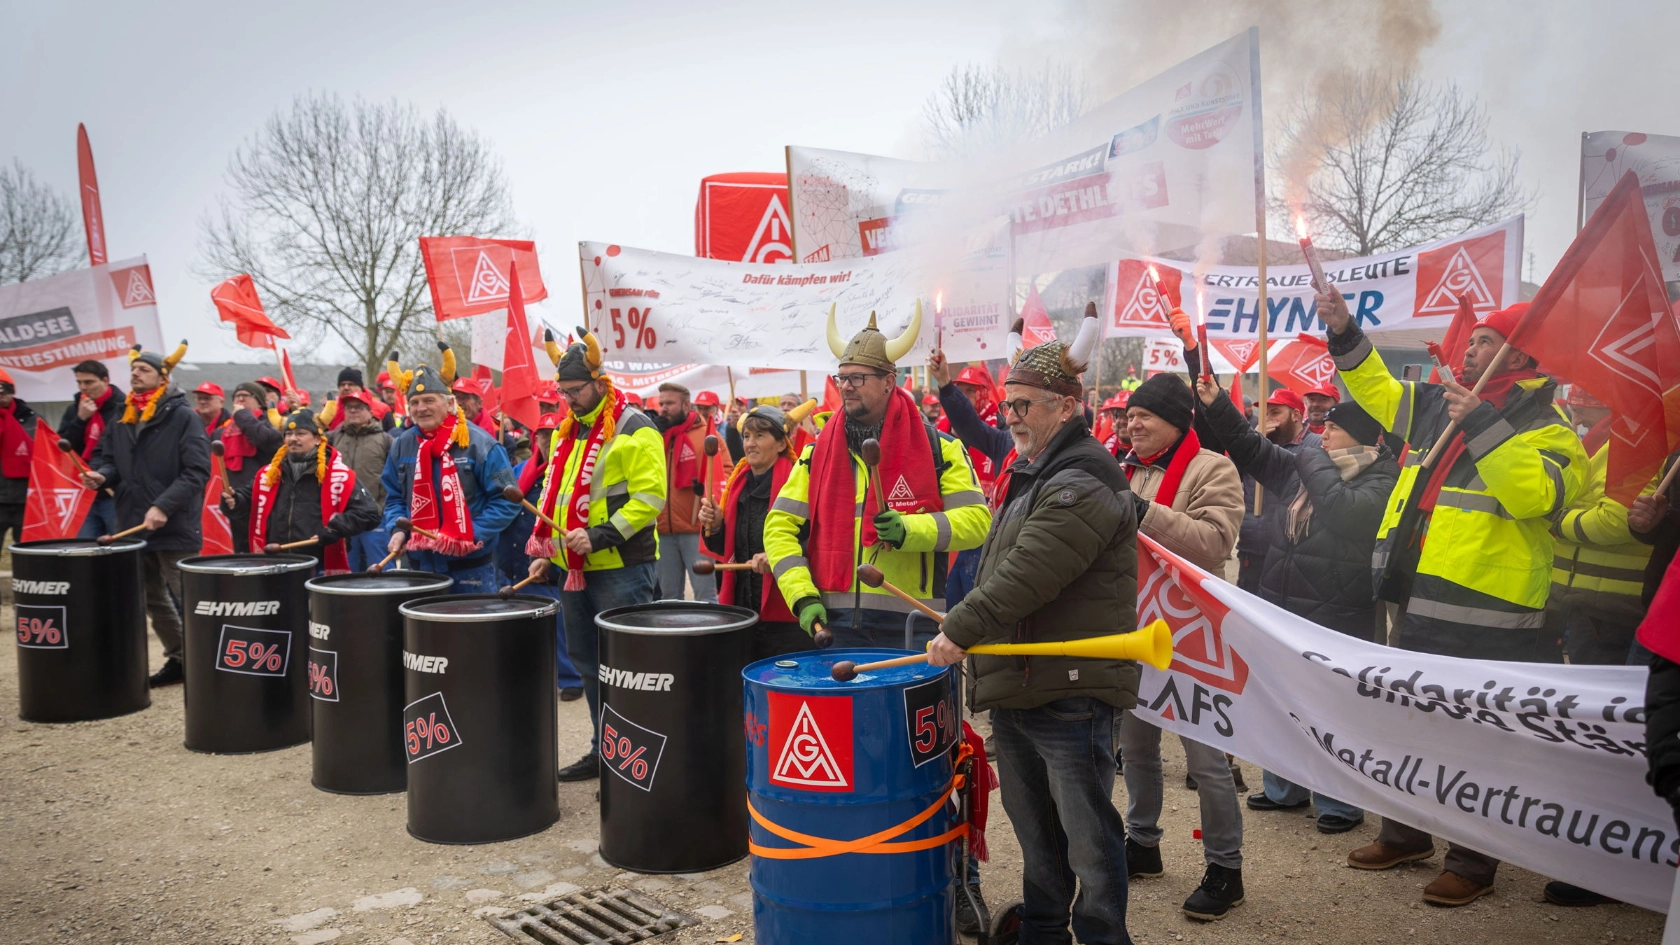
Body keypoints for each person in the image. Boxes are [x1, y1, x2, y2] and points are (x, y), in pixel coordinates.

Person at [1320, 288, 1587, 906]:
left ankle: (1471, 862)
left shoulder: (1553, 428)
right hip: (1421, 598)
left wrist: (1482, 422)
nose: (1469, 351)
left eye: (1485, 342)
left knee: (1479, 739)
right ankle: (1405, 834)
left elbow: (1533, 496)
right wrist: (1344, 332)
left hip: (1493, 613)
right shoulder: (1441, 405)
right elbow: (1381, 395)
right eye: (1471, 343)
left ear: (1522, 357)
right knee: (1409, 722)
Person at [928, 311, 1138, 944]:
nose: (1009, 415)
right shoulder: (1035, 471)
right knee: (1037, 835)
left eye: (1022, 404)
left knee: (1089, 842)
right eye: (1007, 404)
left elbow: (1027, 574)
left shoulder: (1083, 477)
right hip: (1024, 683)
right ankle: (1044, 931)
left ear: (1066, 406)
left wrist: (959, 629)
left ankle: (1103, 937)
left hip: (1069, 691)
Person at [1196, 374, 1397, 835]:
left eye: (1333, 430)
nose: (1323, 435)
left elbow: (1344, 510)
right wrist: (1216, 404)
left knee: (1331, 710)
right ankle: (1284, 788)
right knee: (1280, 701)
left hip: (1336, 615)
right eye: (1322, 430)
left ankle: (1339, 802)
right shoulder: (1306, 466)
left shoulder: (1382, 477)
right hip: (1282, 607)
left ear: (1364, 437)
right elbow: (1250, 449)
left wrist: (1309, 456)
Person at [765, 308, 990, 648]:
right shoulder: (815, 455)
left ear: (889, 381)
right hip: (832, 625)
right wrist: (802, 595)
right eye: (842, 378)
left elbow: (977, 523)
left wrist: (909, 530)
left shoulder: (941, 450)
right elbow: (779, 527)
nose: (846, 387)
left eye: (857, 378)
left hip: (911, 625)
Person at [1116, 370, 1247, 921]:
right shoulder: (1122, 468)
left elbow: (1213, 543)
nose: (1131, 423)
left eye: (1144, 415)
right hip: (1134, 629)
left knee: (1206, 760)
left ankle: (1226, 869)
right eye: (1129, 415)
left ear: (1174, 423)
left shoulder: (1213, 468)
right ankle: (1142, 843)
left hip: (1192, 636)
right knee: (1137, 748)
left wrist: (1138, 510)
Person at [525, 329, 665, 781]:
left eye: (576, 390)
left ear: (601, 382)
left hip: (622, 567)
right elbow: (560, 497)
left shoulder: (636, 424)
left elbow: (650, 498)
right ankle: (604, 752)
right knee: (589, 667)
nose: (568, 400)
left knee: (631, 670)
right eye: (563, 392)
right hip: (575, 570)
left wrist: (601, 535)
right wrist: (551, 550)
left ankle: (637, 762)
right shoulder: (571, 429)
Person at [82, 342, 210, 688]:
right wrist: (102, 476)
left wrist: (164, 506)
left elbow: (197, 471)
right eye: (134, 369)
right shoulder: (123, 416)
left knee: (190, 599)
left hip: (175, 524)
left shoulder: (184, 416)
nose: (135, 374)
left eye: (144, 370)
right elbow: (107, 459)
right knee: (153, 599)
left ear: (163, 378)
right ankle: (180, 659)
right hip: (134, 523)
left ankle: (210, 663)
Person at [379, 343, 520, 596]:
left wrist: (469, 535)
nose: (421, 408)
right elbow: (394, 498)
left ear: (450, 403)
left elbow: (506, 502)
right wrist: (398, 530)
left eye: (429, 400)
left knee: (471, 635)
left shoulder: (481, 444)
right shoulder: (402, 445)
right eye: (415, 402)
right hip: (421, 566)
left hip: (472, 568)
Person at [699, 400, 818, 659]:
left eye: (760, 436)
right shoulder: (737, 485)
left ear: (780, 443)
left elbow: (816, 542)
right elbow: (726, 550)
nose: (750, 443)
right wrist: (716, 526)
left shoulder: (799, 484)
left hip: (787, 614)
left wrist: (778, 557)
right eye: (746, 436)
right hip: (744, 608)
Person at [495, 412, 584, 702]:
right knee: (522, 621)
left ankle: (570, 676)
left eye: (552, 433)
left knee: (558, 623)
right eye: (541, 435)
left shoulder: (570, 471)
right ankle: (528, 673)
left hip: (552, 556)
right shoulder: (521, 470)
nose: (546, 439)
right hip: (517, 552)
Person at [227, 408, 380, 572]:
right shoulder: (268, 474)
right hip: (274, 562)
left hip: (317, 563)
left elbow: (370, 513)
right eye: (288, 434)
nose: (293, 439)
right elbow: (247, 502)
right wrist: (234, 501)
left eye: (300, 433)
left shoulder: (340, 475)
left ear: (317, 438)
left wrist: (335, 528)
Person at [929, 355, 1010, 610]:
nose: (963, 396)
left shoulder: (1003, 432)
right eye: (959, 390)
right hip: (956, 529)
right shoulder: (941, 430)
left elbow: (971, 425)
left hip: (989, 535)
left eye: (969, 391)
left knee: (977, 605)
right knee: (951, 601)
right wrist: (944, 383)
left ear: (984, 395)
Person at [652, 381, 719, 603]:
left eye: (669, 403)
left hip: (696, 529)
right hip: (662, 530)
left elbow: (723, 473)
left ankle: (708, 638)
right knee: (669, 599)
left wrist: (708, 492)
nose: (663, 408)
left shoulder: (707, 435)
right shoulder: (654, 435)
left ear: (686, 405)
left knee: (705, 596)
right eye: (661, 403)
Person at [59, 360, 126, 539]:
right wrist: (81, 420)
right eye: (79, 383)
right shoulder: (74, 409)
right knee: (86, 548)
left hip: (114, 491)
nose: (83, 388)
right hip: (84, 490)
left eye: (88, 382)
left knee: (120, 547)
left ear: (105, 380)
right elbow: (63, 447)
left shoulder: (124, 408)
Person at [327, 390, 392, 572]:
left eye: (358, 407)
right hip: (344, 518)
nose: (353, 411)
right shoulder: (331, 439)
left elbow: (396, 480)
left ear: (370, 411)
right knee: (347, 571)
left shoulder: (386, 441)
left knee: (381, 569)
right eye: (349, 407)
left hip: (377, 517)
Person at [216, 382, 285, 551]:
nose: (239, 399)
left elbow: (266, 440)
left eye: (245, 396)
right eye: (236, 396)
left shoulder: (271, 423)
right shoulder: (222, 432)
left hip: (260, 501)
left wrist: (242, 415)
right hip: (234, 502)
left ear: (259, 401)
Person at [0, 371, 36, 548]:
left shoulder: (32, 419)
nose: (1, 397)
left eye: (4, 392)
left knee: (26, 552)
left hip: (25, 500)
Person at [320, 367, 394, 432]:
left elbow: (391, 438)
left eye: (351, 384)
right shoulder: (331, 410)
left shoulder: (382, 409)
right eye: (342, 385)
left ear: (360, 388)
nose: (346, 387)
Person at [1099, 391, 1131, 458]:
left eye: (1128, 416)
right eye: (1119, 415)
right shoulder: (1104, 447)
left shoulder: (1149, 454)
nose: (1122, 421)